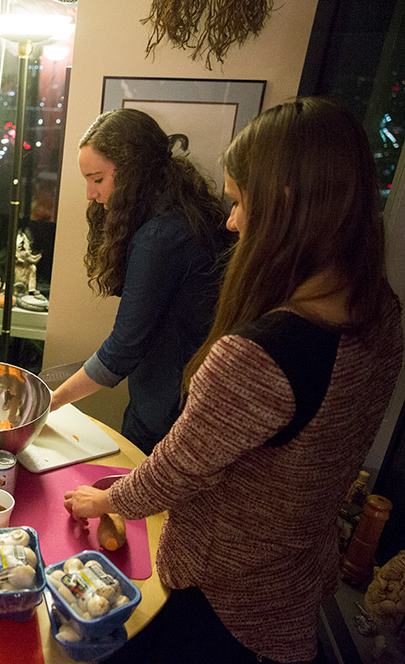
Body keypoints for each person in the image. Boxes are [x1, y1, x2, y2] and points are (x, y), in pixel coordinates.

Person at [64, 98, 403, 664]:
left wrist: (102, 498)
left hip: (221, 609)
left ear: (286, 206)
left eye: (243, 201)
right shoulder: (383, 316)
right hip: (294, 593)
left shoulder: (256, 356)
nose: (231, 221)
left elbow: (167, 477)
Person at [50, 108, 232, 454]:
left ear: (133, 173)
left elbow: (123, 348)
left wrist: (52, 401)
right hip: (177, 399)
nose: (90, 193)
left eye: (98, 179)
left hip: (169, 412)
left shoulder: (161, 236)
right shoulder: (181, 216)